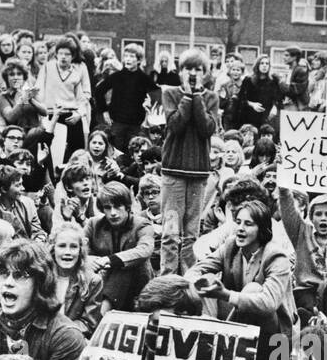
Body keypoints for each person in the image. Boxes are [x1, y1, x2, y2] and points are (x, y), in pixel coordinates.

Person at [188, 198, 296, 360]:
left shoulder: (276, 256)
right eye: (238, 222)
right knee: (206, 281)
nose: (240, 228)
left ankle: (221, 344)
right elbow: (196, 270)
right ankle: (209, 337)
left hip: (274, 337)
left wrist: (226, 295)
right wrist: (197, 282)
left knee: (253, 290)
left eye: (248, 224)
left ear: (262, 229)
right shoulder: (231, 246)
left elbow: (268, 303)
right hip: (240, 325)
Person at [158, 48, 220, 273]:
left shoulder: (211, 97)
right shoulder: (170, 94)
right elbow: (175, 124)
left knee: (191, 234)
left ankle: (188, 281)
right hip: (173, 172)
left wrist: (197, 97)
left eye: (198, 69)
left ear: (205, 73)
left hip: (198, 175)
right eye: (188, 69)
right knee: (171, 232)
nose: (193, 73)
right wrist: (187, 95)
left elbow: (207, 129)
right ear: (180, 71)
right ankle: (167, 281)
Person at [85, 180, 154, 311]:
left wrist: (110, 260)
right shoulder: (94, 224)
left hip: (137, 288)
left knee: (125, 266)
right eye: (107, 207)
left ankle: (102, 313)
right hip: (102, 283)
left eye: (117, 207)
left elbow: (145, 249)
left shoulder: (142, 224)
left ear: (127, 206)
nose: (113, 213)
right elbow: (80, 248)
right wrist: (91, 260)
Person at [34, 35, 92, 166]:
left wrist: (79, 114)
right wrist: (42, 113)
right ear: (56, 54)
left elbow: (82, 98)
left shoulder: (77, 71)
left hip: (71, 116)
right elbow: (38, 90)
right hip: (52, 115)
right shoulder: (48, 68)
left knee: (75, 155)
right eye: (60, 53)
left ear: (73, 56)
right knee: (51, 154)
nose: (63, 57)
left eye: (67, 54)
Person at [93, 42, 157, 151]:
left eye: (131, 56)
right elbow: (99, 91)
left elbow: (156, 95)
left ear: (139, 60)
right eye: (126, 56)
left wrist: (148, 107)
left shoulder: (144, 78)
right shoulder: (117, 76)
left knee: (133, 153)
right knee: (116, 153)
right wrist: (104, 111)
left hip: (136, 125)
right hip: (117, 123)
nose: (128, 59)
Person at [48, 224, 106, 338]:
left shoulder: (93, 281)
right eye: (62, 246)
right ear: (53, 249)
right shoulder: (43, 277)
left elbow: (88, 324)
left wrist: (60, 332)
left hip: (70, 338)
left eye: (73, 247)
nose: (67, 252)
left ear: (80, 251)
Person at [234, 54, 280, 130]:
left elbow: (277, 98)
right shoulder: (249, 80)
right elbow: (240, 98)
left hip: (266, 116)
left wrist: (275, 107)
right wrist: (252, 104)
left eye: (267, 63)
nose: (264, 66)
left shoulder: (273, 81)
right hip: (250, 115)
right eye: (262, 63)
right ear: (257, 65)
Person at [280, 47, 310, 111]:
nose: (283, 57)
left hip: (296, 106)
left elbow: (294, 90)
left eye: (286, 55)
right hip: (288, 105)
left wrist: (280, 81)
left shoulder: (300, 71)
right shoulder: (290, 70)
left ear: (294, 57)